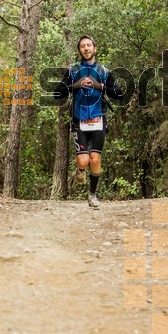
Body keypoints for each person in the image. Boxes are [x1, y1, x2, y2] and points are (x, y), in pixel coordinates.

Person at [55, 35, 123, 209]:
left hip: (99, 118)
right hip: (79, 120)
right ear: (79, 50)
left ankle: (92, 195)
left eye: (89, 45)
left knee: (95, 158)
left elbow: (118, 93)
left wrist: (99, 86)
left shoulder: (103, 71)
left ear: (95, 48)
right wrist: (75, 85)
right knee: (84, 161)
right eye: (82, 46)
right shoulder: (73, 70)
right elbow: (58, 93)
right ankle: (80, 170)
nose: (86, 48)